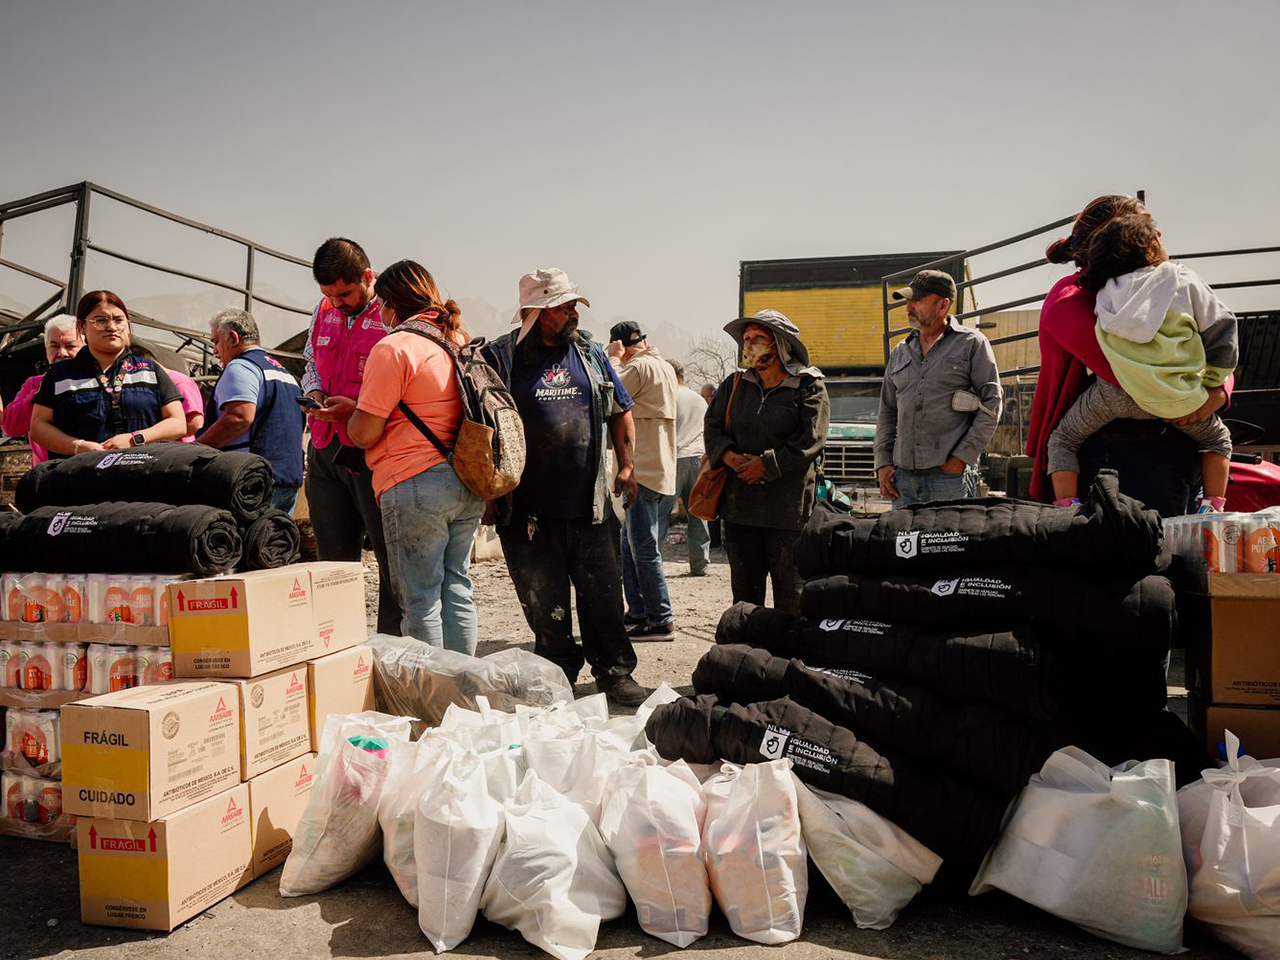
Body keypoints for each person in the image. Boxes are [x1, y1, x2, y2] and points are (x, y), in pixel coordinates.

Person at [482, 268, 648, 707]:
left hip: (589, 504)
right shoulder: (501, 358)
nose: (574, 313)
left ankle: (615, 673)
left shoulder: (590, 353)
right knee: (544, 602)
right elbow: (479, 424)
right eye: (564, 307)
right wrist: (488, 490)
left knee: (603, 596)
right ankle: (558, 673)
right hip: (527, 511)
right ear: (537, 313)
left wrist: (627, 467)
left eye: (574, 305)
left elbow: (620, 410)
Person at [1025, 195, 1230, 516]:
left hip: (1163, 432)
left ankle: (1066, 505)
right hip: (1130, 447)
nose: (1159, 233)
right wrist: (1207, 387)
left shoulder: (1142, 286)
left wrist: (1219, 390)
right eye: (1150, 226)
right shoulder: (1072, 298)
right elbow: (1146, 367)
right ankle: (1214, 507)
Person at [348, 261, 484, 652]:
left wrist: (350, 416)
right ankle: (463, 681)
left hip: (414, 480)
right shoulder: (457, 340)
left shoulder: (395, 347)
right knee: (457, 588)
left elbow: (364, 432)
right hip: (466, 479)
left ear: (391, 304)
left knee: (421, 599)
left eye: (380, 306)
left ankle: (434, 686)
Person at [301, 238, 401, 635]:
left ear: (368, 277)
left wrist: (358, 409)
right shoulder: (323, 309)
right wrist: (313, 392)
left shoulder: (393, 312)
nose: (337, 303)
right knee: (332, 561)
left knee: (389, 556)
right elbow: (311, 360)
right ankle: (338, 645)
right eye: (329, 295)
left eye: (344, 294)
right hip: (325, 448)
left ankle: (391, 646)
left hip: (372, 450)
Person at [705, 309, 829, 613]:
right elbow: (713, 427)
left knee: (792, 598)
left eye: (757, 337)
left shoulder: (809, 386)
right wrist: (730, 457)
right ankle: (749, 644)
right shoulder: (734, 384)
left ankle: (789, 646)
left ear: (779, 344)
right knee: (745, 600)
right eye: (746, 339)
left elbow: (811, 441)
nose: (748, 344)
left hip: (788, 513)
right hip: (740, 510)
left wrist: (767, 465)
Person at [874, 270, 1002, 507]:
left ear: (943, 305)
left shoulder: (972, 344)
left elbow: (992, 404)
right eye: (908, 300)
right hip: (903, 480)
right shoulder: (900, 352)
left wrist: (960, 459)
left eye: (917, 300)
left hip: (949, 478)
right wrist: (883, 462)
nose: (909, 306)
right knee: (903, 533)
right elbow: (887, 411)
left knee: (950, 533)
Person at [29, 291, 186, 457]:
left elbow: (178, 422)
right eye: (101, 320)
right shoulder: (59, 375)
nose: (112, 327)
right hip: (79, 470)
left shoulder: (150, 370)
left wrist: (135, 439)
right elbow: (39, 426)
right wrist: (78, 447)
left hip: (143, 469)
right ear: (81, 327)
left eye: (118, 320)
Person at [607, 321, 679, 641]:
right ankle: (638, 610)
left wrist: (612, 358)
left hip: (642, 471)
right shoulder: (663, 366)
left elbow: (608, 393)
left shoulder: (637, 368)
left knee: (643, 549)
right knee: (630, 544)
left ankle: (660, 618)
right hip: (658, 469)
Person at [199, 308, 306, 513]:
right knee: (275, 533)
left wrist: (198, 449)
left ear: (233, 338)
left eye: (216, 342)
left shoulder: (241, 367)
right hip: (288, 479)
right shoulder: (285, 374)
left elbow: (239, 417)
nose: (214, 351)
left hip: (252, 481)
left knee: (241, 534)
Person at [2, 315, 83, 464]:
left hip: (86, 468)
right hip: (47, 473)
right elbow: (10, 426)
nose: (62, 353)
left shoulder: (96, 381)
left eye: (70, 346)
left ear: (85, 349)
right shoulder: (34, 383)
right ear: (46, 350)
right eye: (55, 346)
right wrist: (45, 387)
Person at [658, 358, 710, 576]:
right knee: (697, 514)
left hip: (674, 459)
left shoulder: (668, 397)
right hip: (698, 458)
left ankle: (653, 563)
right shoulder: (699, 399)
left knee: (660, 514)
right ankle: (700, 564)